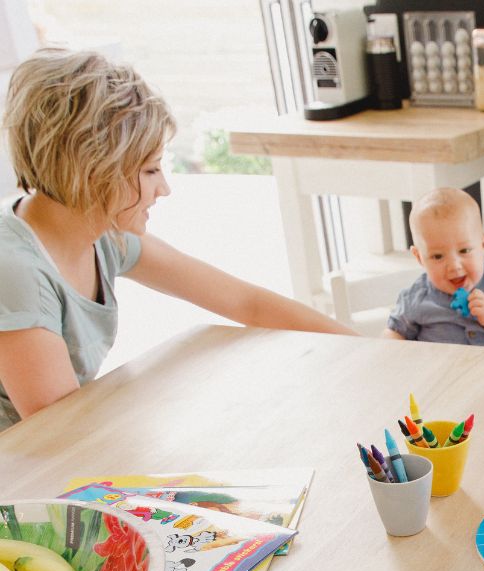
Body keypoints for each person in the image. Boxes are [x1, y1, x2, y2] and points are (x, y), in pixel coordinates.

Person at [0, 48, 354, 432]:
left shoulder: (100, 233)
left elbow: (245, 302)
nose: (164, 188)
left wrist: (370, 349)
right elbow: (57, 433)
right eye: (150, 170)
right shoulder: (18, 273)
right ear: (92, 170)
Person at [384, 187, 484, 347]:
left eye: (464, 251)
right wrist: (391, 348)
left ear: (483, 244)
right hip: (441, 370)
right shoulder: (415, 297)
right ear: (419, 257)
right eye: (438, 256)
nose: (454, 266)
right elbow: (394, 333)